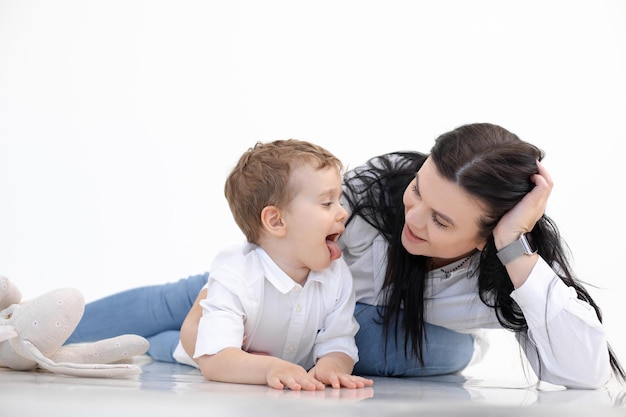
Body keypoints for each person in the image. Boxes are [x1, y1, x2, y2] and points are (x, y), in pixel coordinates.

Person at [67, 123, 625, 389]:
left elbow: (586, 374)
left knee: (446, 349)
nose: (414, 218)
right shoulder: (375, 193)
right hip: (288, 301)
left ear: (486, 236)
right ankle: (46, 328)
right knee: (194, 297)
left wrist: (515, 248)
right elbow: (285, 233)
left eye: (443, 221)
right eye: (419, 193)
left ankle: (176, 349)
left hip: (340, 332)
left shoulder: (501, 271)